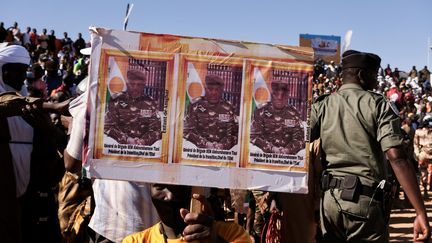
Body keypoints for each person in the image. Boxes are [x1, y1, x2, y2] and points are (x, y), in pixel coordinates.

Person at [310, 50, 430, 242]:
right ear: (362, 75)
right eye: (374, 75)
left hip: (330, 202)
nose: (376, 81)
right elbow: (396, 156)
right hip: (364, 202)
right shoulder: (379, 105)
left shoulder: (322, 105)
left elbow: (297, 145)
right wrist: (420, 211)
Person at [0, 44, 67, 243]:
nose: (22, 77)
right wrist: (53, 106)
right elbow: (9, 103)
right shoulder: (15, 101)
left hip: (29, 184)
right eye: (16, 71)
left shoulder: (26, 97)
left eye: (24, 71)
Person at [122, 183, 252, 243]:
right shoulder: (135, 241)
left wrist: (215, 240)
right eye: (160, 186)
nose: (170, 196)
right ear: (149, 191)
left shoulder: (231, 234)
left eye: (177, 185)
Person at [104, 69, 161, 145]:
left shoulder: (151, 103)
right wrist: (126, 139)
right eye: (132, 84)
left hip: (144, 148)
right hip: (118, 146)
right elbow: (107, 127)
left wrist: (144, 141)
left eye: (139, 85)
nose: (135, 87)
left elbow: (157, 129)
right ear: (127, 84)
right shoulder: (116, 100)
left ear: (144, 86)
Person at [183, 74, 238, 150]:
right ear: (205, 89)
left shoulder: (229, 108)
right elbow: (187, 131)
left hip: (222, 153)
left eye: (217, 90)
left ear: (222, 91)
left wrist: (223, 145)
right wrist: (205, 144)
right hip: (198, 151)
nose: (214, 93)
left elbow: (235, 133)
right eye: (210, 89)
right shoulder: (195, 106)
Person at [250, 78, 304, 155]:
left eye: (283, 95)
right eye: (276, 94)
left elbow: (300, 139)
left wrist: (288, 150)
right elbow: (253, 136)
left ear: (288, 96)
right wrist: (271, 148)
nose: (280, 98)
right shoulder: (261, 111)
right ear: (272, 95)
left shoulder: (294, 113)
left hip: (288, 158)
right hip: (264, 156)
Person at [414, 119, 432, 197]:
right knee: (425, 172)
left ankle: (426, 188)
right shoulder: (418, 132)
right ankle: (426, 188)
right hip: (425, 154)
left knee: (425, 172)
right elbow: (415, 144)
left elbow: (415, 145)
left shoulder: (418, 132)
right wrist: (417, 154)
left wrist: (417, 154)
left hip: (425, 154)